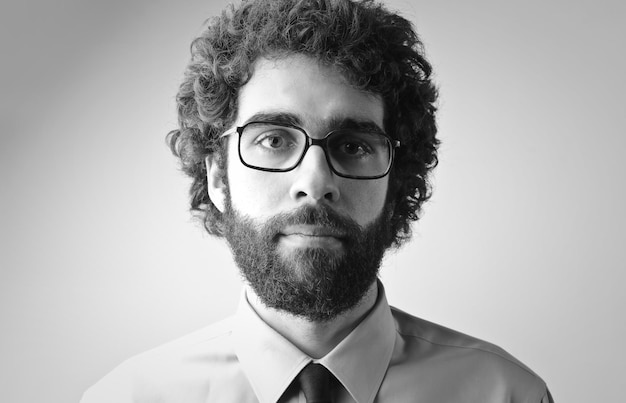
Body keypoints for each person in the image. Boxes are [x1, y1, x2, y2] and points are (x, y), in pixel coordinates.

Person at [81, 0, 553, 402]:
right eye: (273, 140)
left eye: (353, 145)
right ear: (217, 177)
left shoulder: (506, 394)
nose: (315, 182)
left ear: (397, 184)